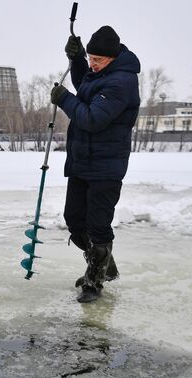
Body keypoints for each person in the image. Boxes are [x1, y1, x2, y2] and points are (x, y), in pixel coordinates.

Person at [50, 25, 141, 303]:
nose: (93, 65)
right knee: (75, 221)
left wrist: (64, 99)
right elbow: (85, 87)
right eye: (91, 59)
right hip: (83, 162)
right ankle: (104, 266)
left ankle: (94, 282)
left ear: (113, 58)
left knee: (98, 227)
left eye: (97, 60)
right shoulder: (102, 72)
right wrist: (77, 60)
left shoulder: (121, 82)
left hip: (106, 167)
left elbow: (91, 118)